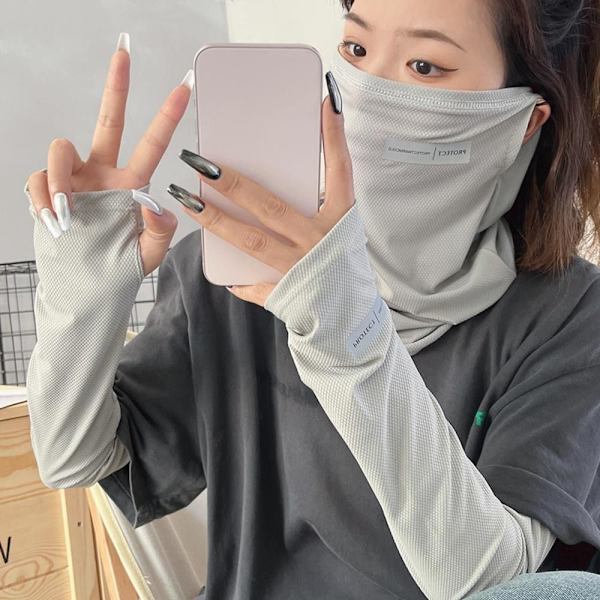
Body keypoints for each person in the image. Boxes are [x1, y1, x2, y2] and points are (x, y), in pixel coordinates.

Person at [23, 0, 600, 597]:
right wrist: (80, 298)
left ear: (523, 120)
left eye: (425, 66)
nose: (368, 93)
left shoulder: (572, 320)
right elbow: (74, 458)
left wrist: (344, 329)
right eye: (356, 50)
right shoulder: (235, 272)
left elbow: (497, 583)